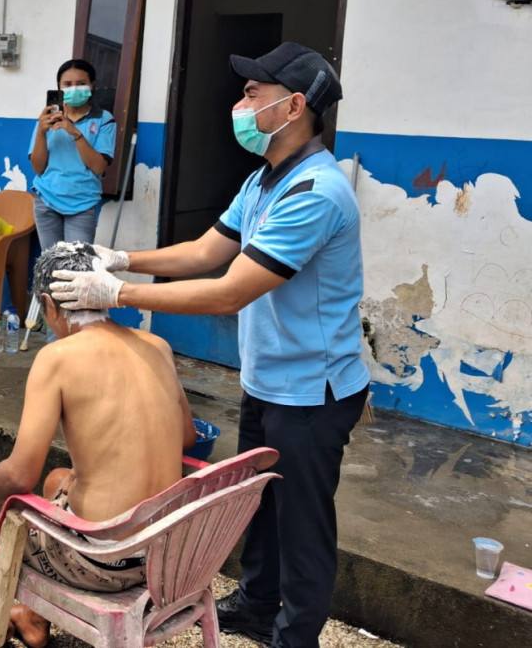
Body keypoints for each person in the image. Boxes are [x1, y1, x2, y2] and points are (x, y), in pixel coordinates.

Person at [49, 42, 370, 648]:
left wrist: (116, 292)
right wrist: (121, 257)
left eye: (253, 94)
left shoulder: (316, 194)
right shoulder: (264, 181)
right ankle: (254, 604)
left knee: (303, 523)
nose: (239, 104)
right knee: (259, 507)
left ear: (294, 105)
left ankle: (295, 636)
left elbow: (228, 292)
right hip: (268, 378)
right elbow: (204, 252)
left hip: (312, 390)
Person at [0, 242, 196, 648]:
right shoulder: (157, 346)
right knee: (60, 478)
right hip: (167, 553)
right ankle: (34, 619)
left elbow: (19, 474)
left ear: (50, 304)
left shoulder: (58, 357)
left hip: (106, 562)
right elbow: (187, 437)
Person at [29, 58, 116, 251]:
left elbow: (99, 167)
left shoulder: (104, 120)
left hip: (82, 203)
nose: (74, 89)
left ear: (92, 85)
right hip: (47, 201)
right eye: (67, 84)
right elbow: (38, 167)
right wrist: (42, 132)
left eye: (81, 83)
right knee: (50, 266)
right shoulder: (47, 118)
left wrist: (74, 131)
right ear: (59, 87)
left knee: (77, 269)